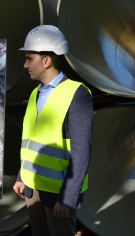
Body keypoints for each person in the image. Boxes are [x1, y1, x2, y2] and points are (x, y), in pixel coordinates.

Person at [13, 25, 93, 236]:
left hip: (59, 195)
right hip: (33, 189)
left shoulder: (77, 94)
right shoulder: (34, 94)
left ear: (46, 60)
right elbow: (31, 141)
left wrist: (67, 199)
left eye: (29, 58)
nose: (25, 64)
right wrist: (21, 176)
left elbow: (81, 152)